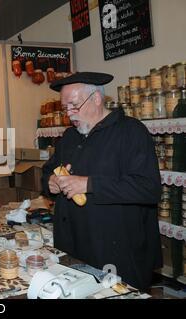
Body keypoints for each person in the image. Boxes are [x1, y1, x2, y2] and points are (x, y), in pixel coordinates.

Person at [42, 72, 162, 291]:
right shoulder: (69, 136)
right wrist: (50, 182)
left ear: (96, 98)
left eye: (74, 105)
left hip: (116, 253)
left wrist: (89, 184)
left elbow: (149, 188)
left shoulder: (131, 132)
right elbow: (49, 170)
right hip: (73, 247)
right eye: (65, 107)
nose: (69, 114)